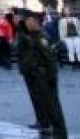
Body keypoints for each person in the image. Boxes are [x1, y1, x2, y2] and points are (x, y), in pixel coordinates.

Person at [25, 9, 67, 138]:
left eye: (28, 20)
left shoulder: (41, 37)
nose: (26, 23)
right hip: (40, 77)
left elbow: (49, 59)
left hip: (46, 78)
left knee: (54, 108)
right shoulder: (34, 36)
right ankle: (55, 132)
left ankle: (60, 135)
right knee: (49, 107)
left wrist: (50, 78)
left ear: (35, 22)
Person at [13, 8, 48, 131]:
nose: (14, 19)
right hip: (28, 69)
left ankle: (44, 121)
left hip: (33, 70)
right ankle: (41, 120)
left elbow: (33, 52)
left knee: (38, 96)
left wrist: (32, 67)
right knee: (35, 96)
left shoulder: (27, 33)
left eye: (16, 17)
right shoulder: (22, 31)